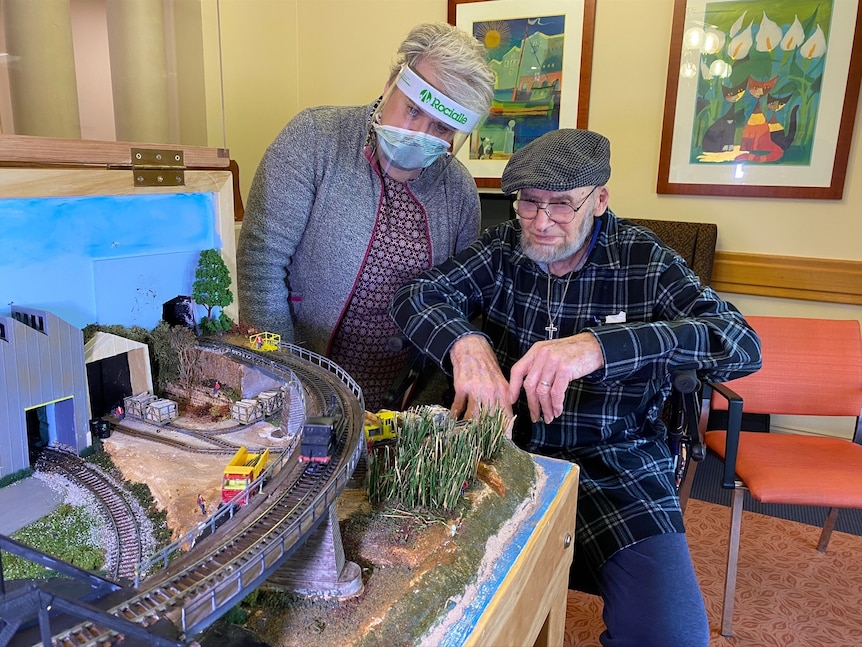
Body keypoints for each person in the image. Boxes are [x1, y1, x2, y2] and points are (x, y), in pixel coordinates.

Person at [390, 129, 763, 647]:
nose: (541, 223)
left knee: (671, 636)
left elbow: (741, 343)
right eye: (529, 203)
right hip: (499, 448)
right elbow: (416, 295)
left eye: (562, 205)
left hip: (617, 461)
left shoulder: (646, 261)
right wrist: (465, 343)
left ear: (599, 200)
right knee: (416, 600)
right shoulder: (502, 250)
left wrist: (599, 346)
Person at [237, 22, 495, 412]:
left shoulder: (457, 191)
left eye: (442, 127)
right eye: (412, 110)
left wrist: (425, 410)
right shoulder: (314, 139)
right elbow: (261, 264)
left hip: (405, 403)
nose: (419, 133)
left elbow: (459, 302)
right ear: (393, 81)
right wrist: (288, 384)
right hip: (304, 385)